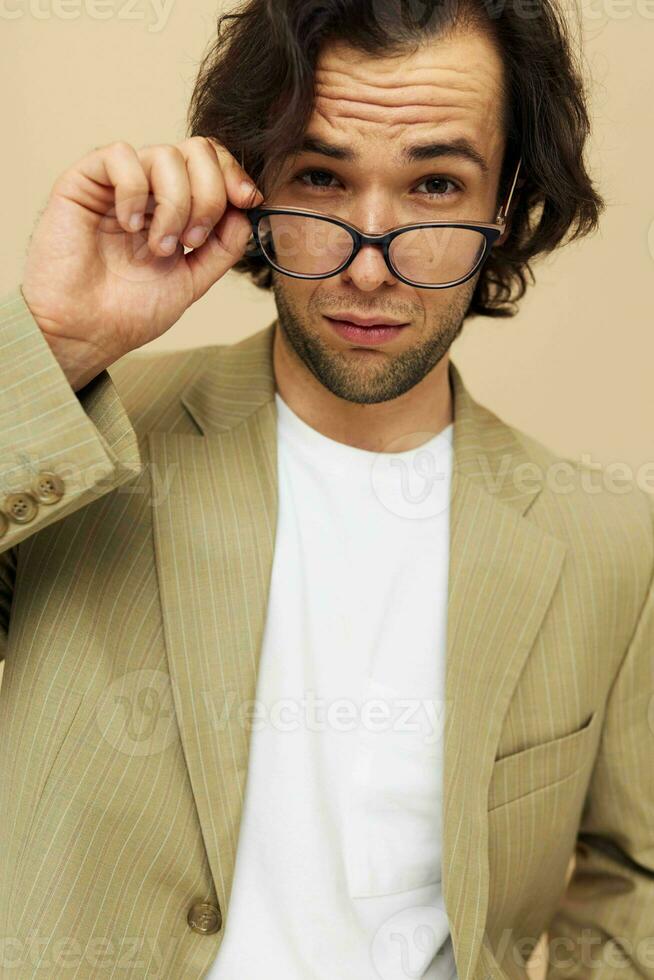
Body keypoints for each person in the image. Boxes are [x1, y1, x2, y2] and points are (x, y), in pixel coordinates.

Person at [0, 0, 652, 977]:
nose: (370, 256)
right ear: (250, 187)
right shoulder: (80, 437)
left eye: (434, 183)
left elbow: (632, 885)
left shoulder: (611, 542)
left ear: (505, 205)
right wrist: (55, 345)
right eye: (322, 178)